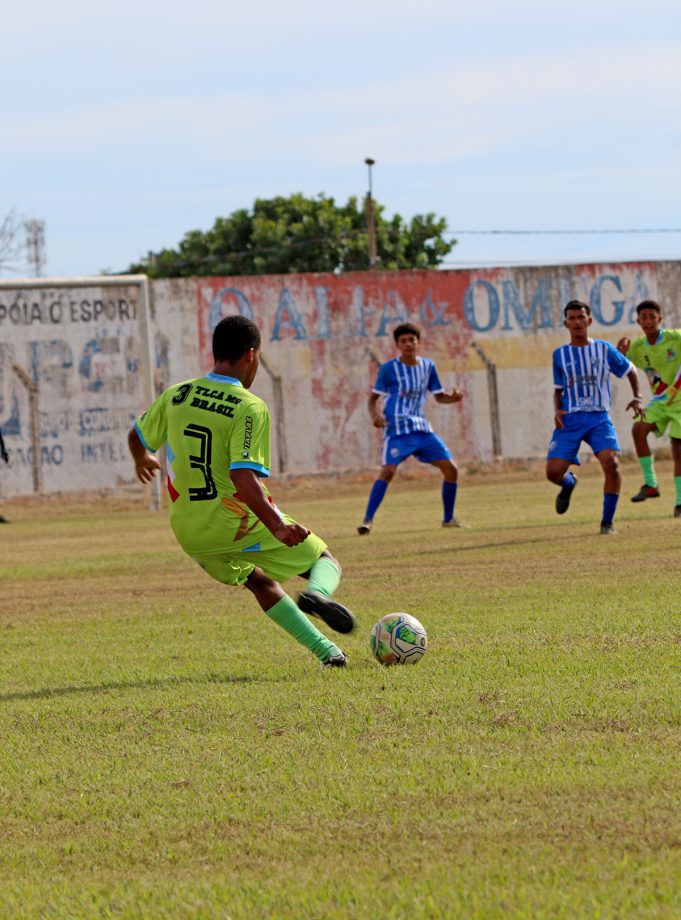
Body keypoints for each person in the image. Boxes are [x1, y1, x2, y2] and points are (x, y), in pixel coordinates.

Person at [128, 314, 355, 668]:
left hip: (189, 531)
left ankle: (329, 654)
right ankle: (316, 595)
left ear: (216, 353)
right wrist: (277, 526)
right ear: (251, 355)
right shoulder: (248, 405)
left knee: (259, 582)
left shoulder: (178, 394)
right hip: (233, 520)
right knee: (323, 561)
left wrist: (141, 458)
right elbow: (244, 478)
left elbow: (136, 435)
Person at [546, 300, 644, 535]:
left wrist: (638, 396)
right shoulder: (560, 355)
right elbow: (558, 388)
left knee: (612, 464)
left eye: (581, 317)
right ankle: (569, 483)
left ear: (589, 320)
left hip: (599, 418)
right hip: (570, 419)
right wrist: (557, 409)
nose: (577, 322)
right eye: (572, 318)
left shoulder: (604, 349)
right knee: (553, 474)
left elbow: (630, 369)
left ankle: (607, 523)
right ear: (566, 323)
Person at [357, 322, 465, 535]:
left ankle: (448, 519)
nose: (408, 344)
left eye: (411, 340)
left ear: (419, 342)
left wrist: (452, 399)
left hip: (421, 430)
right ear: (397, 345)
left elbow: (439, 396)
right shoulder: (388, 369)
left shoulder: (428, 367)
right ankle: (367, 521)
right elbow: (372, 399)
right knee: (388, 471)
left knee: (451, 469)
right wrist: (375, 415)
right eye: (403, 341)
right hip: (397, 430)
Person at [617, 300, 681, 517]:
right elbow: (623, 368)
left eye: (652, 316)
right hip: (661, 401)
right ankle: (651, 484)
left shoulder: (675, 337)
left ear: (659, 319)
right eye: (643, 317)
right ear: (638, 321)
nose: (648, 321)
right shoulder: (638, 346)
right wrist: (621, 353)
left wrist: (676, 388)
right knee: (638, 429)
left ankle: (680, 502)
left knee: (678, 449)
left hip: (680, 401)